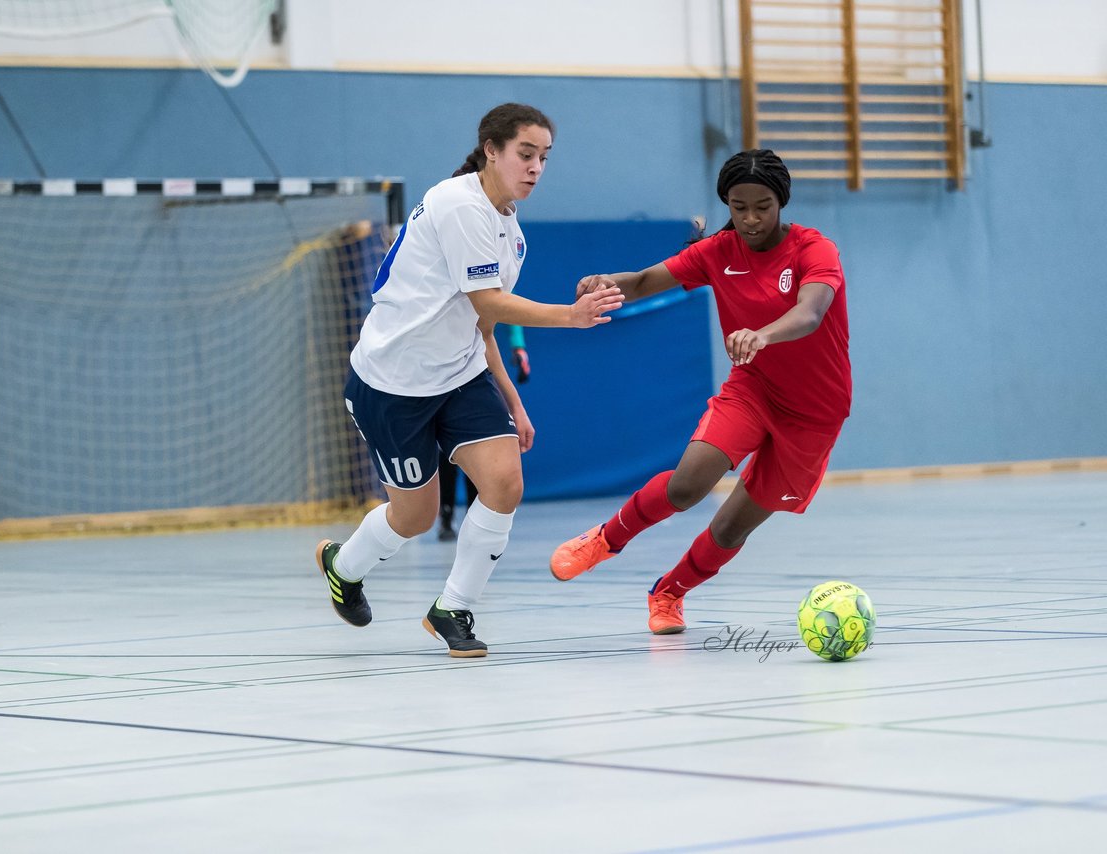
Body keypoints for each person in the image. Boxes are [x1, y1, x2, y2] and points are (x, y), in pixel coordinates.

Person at [314, 103, 623, 658]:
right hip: (393, 382)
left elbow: (483, 324)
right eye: (525, 154)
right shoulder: (460, 203)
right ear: (491, 150)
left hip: (459, 374)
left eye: (544, 158)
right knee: (416, 516)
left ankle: (453, 607)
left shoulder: (510, 233)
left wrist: (514, 404)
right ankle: (343, 565)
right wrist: (570, 316)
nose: (535, 168)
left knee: (504, 483)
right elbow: (490, 299)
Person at [549, 149, 851, 635]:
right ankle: (607, 539)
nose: (750, 219)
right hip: (754, 389)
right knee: (689, 483)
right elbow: (647, 280)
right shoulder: (717, 252)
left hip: (815, 414)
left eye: (763, 206)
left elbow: (811, 313)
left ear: (782, 203)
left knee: (733, 526)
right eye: (738, 206)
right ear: (726, 205)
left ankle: (668, 593)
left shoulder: (815, 250)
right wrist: (610, 282)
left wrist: (764, 333)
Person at [437, 323, 528, 541]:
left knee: (482, 447)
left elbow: (499, 310)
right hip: (440, 377)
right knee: (445, 451)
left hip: (476, 373)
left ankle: (474, 511)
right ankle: (446, 513)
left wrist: (518, 346)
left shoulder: (489, 295)